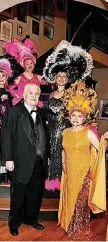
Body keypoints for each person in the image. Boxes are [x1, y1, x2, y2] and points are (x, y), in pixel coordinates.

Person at [42, 40, 94, 194]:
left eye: (64, 77)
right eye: (59, 76)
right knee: (50, 152)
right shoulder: (50, 95)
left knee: (62, 153)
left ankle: (61, 183)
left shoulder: (71, 95)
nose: (61, 79)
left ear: (67, 79)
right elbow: (45, 111)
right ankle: (49, 182)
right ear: (55, 78)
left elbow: (77, 113)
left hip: (65, 129)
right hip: (50, 128)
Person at [58, 81, 107, 240]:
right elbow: (63, 149)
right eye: (73, 115)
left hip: (84, 174)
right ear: (69, 116)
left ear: (84, 117)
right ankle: (68, 225)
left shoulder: (88, 133)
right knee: (69, 198)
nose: (76, 118)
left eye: (79, 116)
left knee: (80, 203)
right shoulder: (65, 132)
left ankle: (76, 228)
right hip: (69, 173)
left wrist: (105, 140)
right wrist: (63, 162)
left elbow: (100, 149)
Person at [1, 83, 49, 236]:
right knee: (18, 195)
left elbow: (45, 137)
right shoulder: (14, 112)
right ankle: (14, 223)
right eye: (31, 93)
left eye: (36, 94)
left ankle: (31, 219)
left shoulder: (42, 113)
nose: (34, 96)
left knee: (35, 193)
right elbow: (6, 135)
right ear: (24, 95)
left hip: (39, 161)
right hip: (20, 161)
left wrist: (46, 157)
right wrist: (8, 159)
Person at [3, 38, 47, 107]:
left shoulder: (38, 77)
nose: (29, 65)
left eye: (31, 63)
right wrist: (18, 96)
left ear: (34, 65)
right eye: (27, 64)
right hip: (22, 104)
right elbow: (10, 88)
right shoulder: (20, 77)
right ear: (24, 66)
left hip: (34, 103)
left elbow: (49, 83)